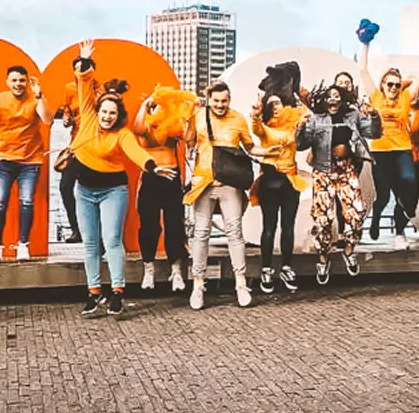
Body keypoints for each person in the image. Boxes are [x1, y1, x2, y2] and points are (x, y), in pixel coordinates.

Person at [68, 40, 157, 317]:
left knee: (112, 240)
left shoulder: (123, 134)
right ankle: (94, 293)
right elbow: (84, 84)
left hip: (113, 190)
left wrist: (151, 164)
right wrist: (84, 61)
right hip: (83, 190)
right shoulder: (88, 116)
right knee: (91, 242)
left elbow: (135, 151)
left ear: (118, 116)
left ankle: (117, 292)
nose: (107, 116)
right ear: (98, 111)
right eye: (104, 111)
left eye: (112, 113)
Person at [184, 81, 277, 310]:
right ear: (209, 100)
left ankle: (241, 283)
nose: (220, 105)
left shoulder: (238, 119)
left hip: (230, 184)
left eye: (224, 101)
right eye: (216, 101)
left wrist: (267, 152)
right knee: (201, 233)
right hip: (203, 181)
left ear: (230, 99)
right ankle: (198, 284)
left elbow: (249, 147)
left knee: (235, 232)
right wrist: (187, 118)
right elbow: (188, 142)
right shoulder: (198, 116)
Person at [358, 37, 419, 250]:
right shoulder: (376, 97)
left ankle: (405, 212)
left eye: (397, 84)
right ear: (383, 85)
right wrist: (365, 44)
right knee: (383, 195)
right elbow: (363, 70)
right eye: (390, 84)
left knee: (408, 180)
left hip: (402, 150)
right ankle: (377, 216)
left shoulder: (406, 98)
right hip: (380, 151)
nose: (394, 87)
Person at [296, 83, 382, 285]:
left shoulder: (352, 116)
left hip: (347, 170)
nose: (333, 100)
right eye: (329, 96)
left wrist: (374, 115)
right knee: (323, 219)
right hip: (324, 172)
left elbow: (374, 133)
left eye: (337, 96)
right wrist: (300, 127)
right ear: (323, 100)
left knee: (356, 212)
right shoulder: (316, 118)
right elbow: (302, 144)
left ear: (342, 99)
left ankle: (349, 250)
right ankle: (323, 258)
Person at [0, 65, 50, 261]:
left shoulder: (35, 98)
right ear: (8, 82)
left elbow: (48, 119)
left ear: (27, 82)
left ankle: (23, 245)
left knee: (27, 202)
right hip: (3, 159)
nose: (18, 84)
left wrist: (40, 95)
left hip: (30, 159)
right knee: (0, 201)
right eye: (14, 80)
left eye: (22, 80)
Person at [131, 85, 196, 293]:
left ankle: (176, 271)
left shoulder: (173, 123)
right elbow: (138, 128)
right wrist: (146, 103)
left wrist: (188, 114)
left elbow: (188, 137)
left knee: (174, 225)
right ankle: (148, 268)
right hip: (150, 178)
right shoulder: (146, 125)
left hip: (172, 178)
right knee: (149, 226)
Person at [250, 93, 308, 293]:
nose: (275, 106)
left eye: (279, 103)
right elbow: (255, 128)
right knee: (269, 226)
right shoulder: (265, 128)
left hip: (290, 179)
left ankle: (286, 267)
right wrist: (256, 114)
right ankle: (266, 269)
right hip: (270, 180)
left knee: (288, 226)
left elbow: (306, 123)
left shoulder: (294, 125)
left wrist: (304, 103)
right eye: (271, 103)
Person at [57, 63, 83, 244]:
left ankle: (93, 231)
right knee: (65, 187)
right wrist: (66, 117)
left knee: (90, 190)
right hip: (75, 146)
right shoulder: (70, 89)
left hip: (93, 147)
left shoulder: (98, 90)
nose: (80, 72)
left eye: (85, 68)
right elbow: (67, 108)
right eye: (77, 68)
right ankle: (76, 229)